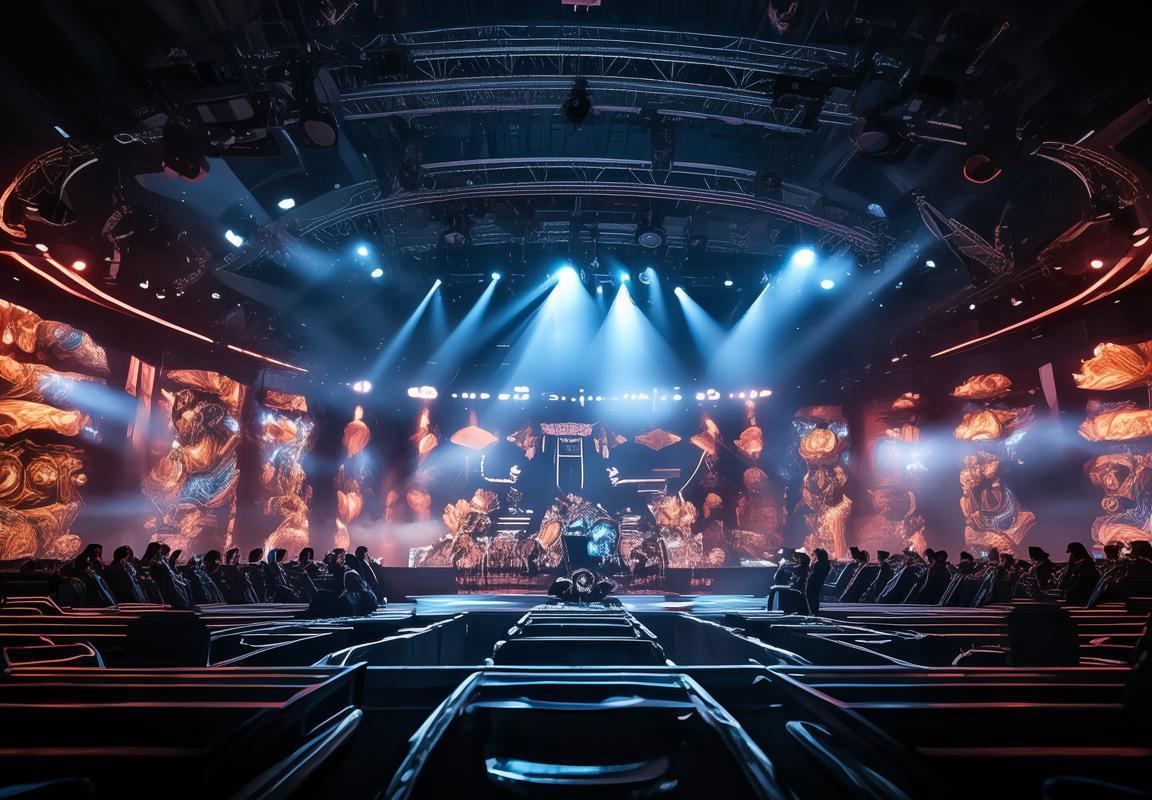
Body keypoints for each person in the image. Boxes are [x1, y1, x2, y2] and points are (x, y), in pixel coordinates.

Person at [139, 541, 192, 609]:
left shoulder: (159, 562)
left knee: (183, 586)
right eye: (159, 552)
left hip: (165, 583)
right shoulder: (151, 563)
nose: (160, 555)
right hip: (159, 588)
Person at [1061, 542, 1100, 607]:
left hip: (1085, 592)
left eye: (1072, 553)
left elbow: (1082, 580)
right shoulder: (1077, 562)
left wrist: (1069, 590)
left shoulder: (1086, 562)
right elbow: (1069, 574)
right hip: (1079, 589)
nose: (1071, 555)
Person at [805, 548, 831, 615]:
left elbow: (812, 571)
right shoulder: (825, 564)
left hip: (813, 584)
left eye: (818, 555)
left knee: (812, 597)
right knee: (813, 597)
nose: (817, 557)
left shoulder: (820, 564)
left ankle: (813, 612)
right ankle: (814, 612)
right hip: (815, 584)